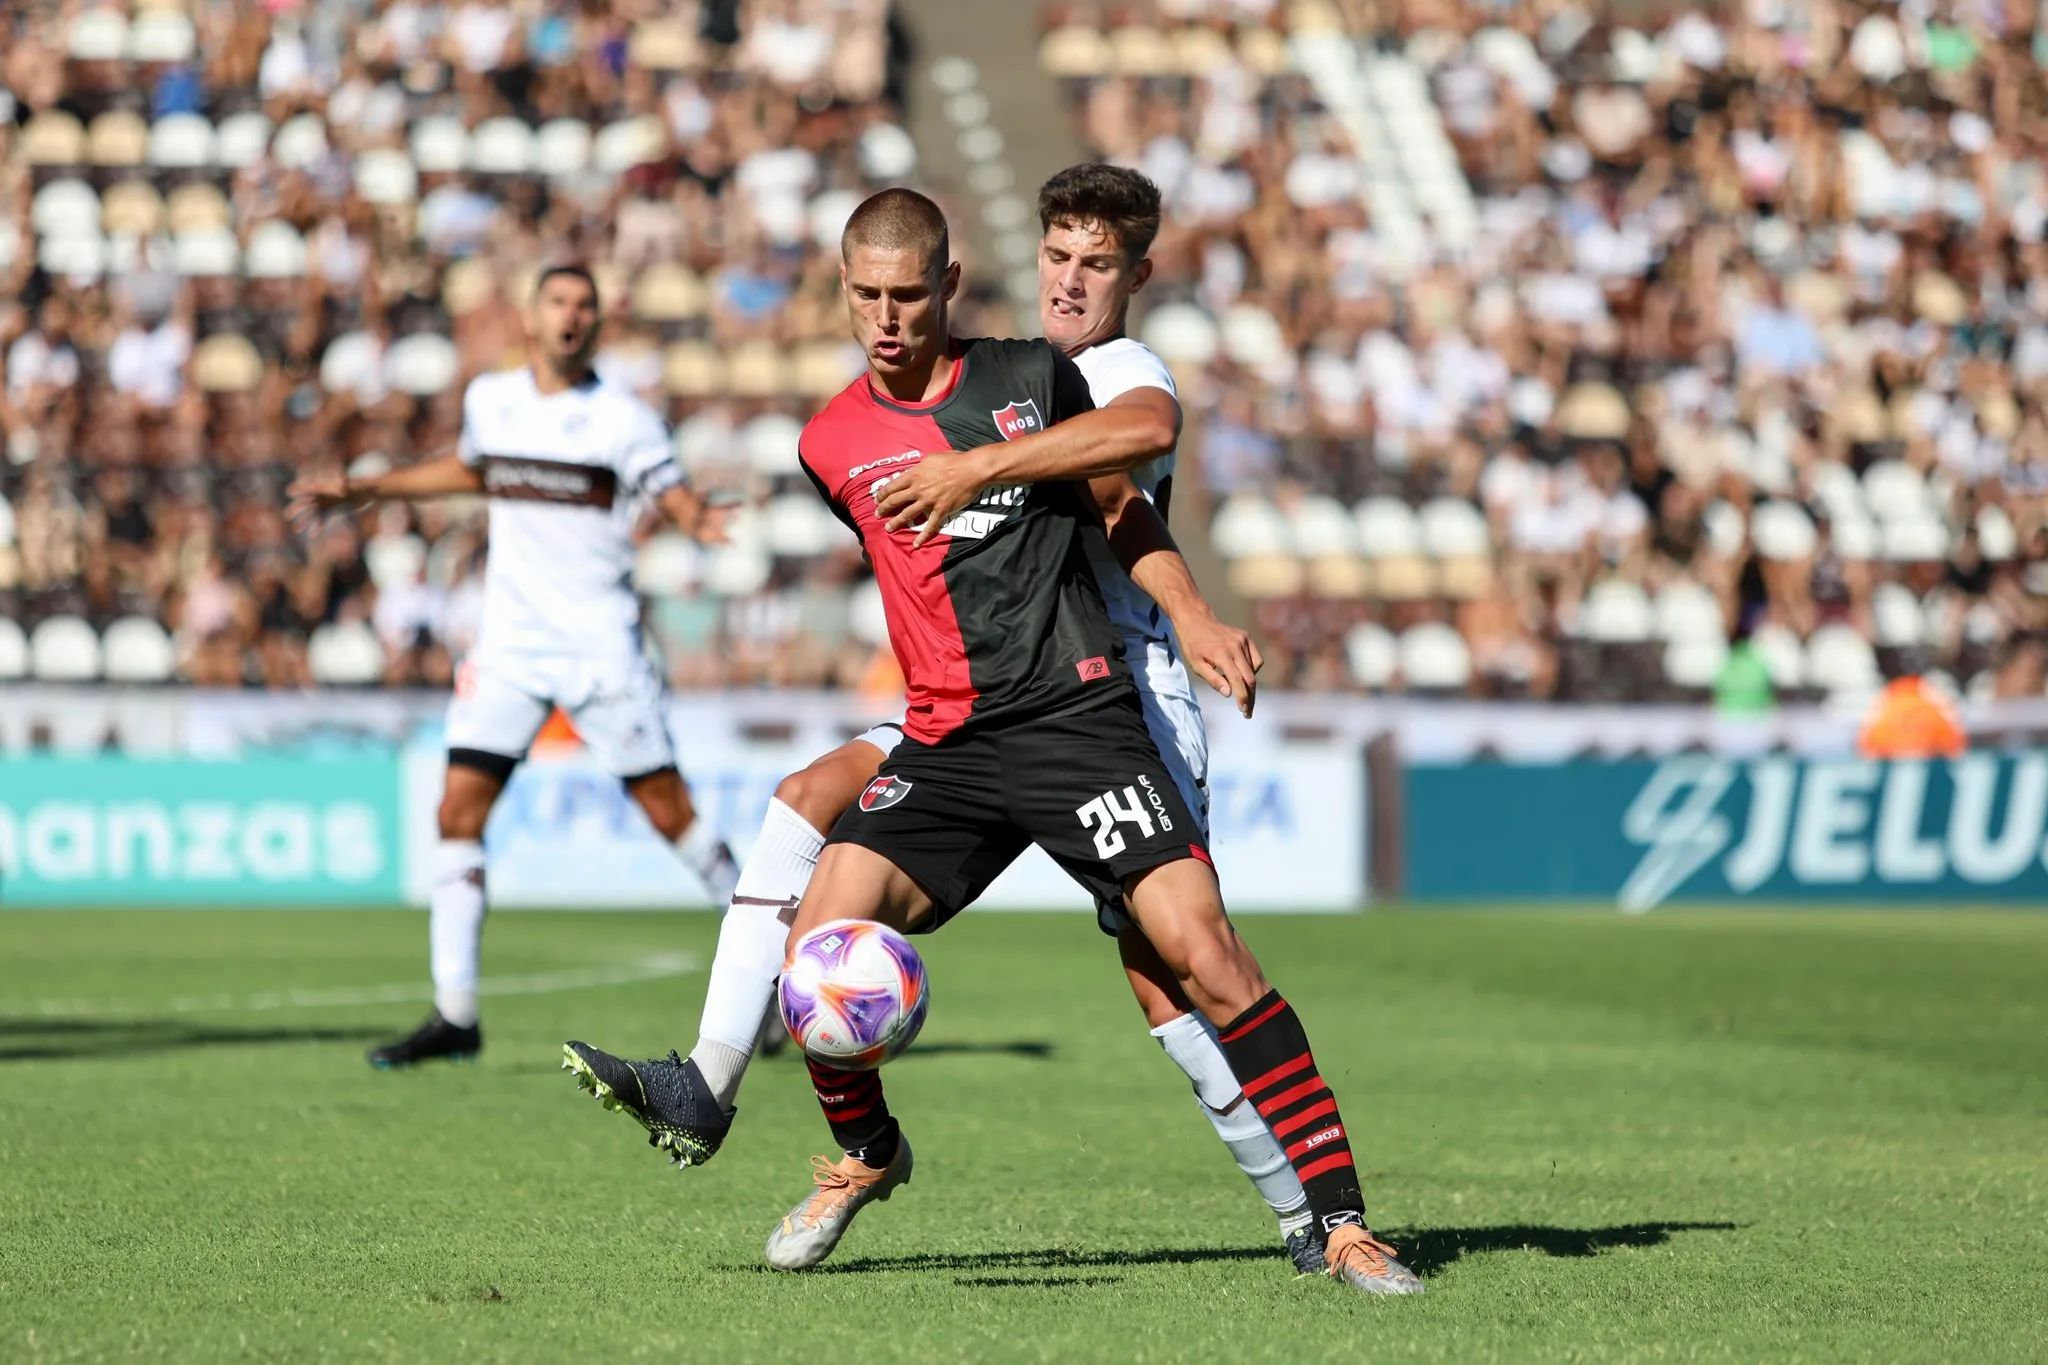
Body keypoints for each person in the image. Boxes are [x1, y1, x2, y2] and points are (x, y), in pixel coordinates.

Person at [570, 190, 1420, 1294]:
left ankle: (1334, 1219)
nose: (886, 316)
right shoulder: (828, 443)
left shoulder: (1049, 376)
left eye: (907, 294)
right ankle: (856, 1146)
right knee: (819, 931)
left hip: (1089, 712)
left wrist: (1182, 604)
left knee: (1191, 965)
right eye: (865, 295)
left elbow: (1127, 483)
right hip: (950, 737)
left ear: (950, 288)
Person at [287, 265, 741, 1068]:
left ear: (599, 321)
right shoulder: (491, 401)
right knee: (457, 812)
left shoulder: (623, 420)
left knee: (673, 816)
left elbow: (670, 492)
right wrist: (369, 488)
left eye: (585, 304)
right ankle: (455, 1012)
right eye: (559, 301)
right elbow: (472, 471)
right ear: (531, 316)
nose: (572, 315)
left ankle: (765, 967)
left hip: (601, 648)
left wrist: (694, 515)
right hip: (510, 647)